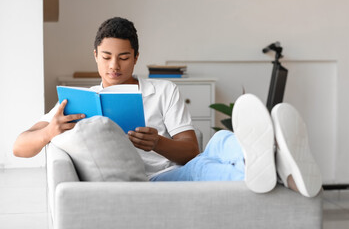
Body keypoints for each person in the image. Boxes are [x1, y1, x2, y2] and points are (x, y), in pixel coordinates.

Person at [13, 17, 322, 198]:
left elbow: (190, 151)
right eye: (106, 56)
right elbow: (19, 147)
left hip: (175, 169)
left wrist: (158, 143)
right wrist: (50, 131)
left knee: (219, 141)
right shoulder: (78, 98)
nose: (114, 65)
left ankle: (273, 158)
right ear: (95, 55)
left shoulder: (162, 89)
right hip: (152, 182)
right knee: (204, 169)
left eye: (123, 57)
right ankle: (284, 170)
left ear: (135, 57)